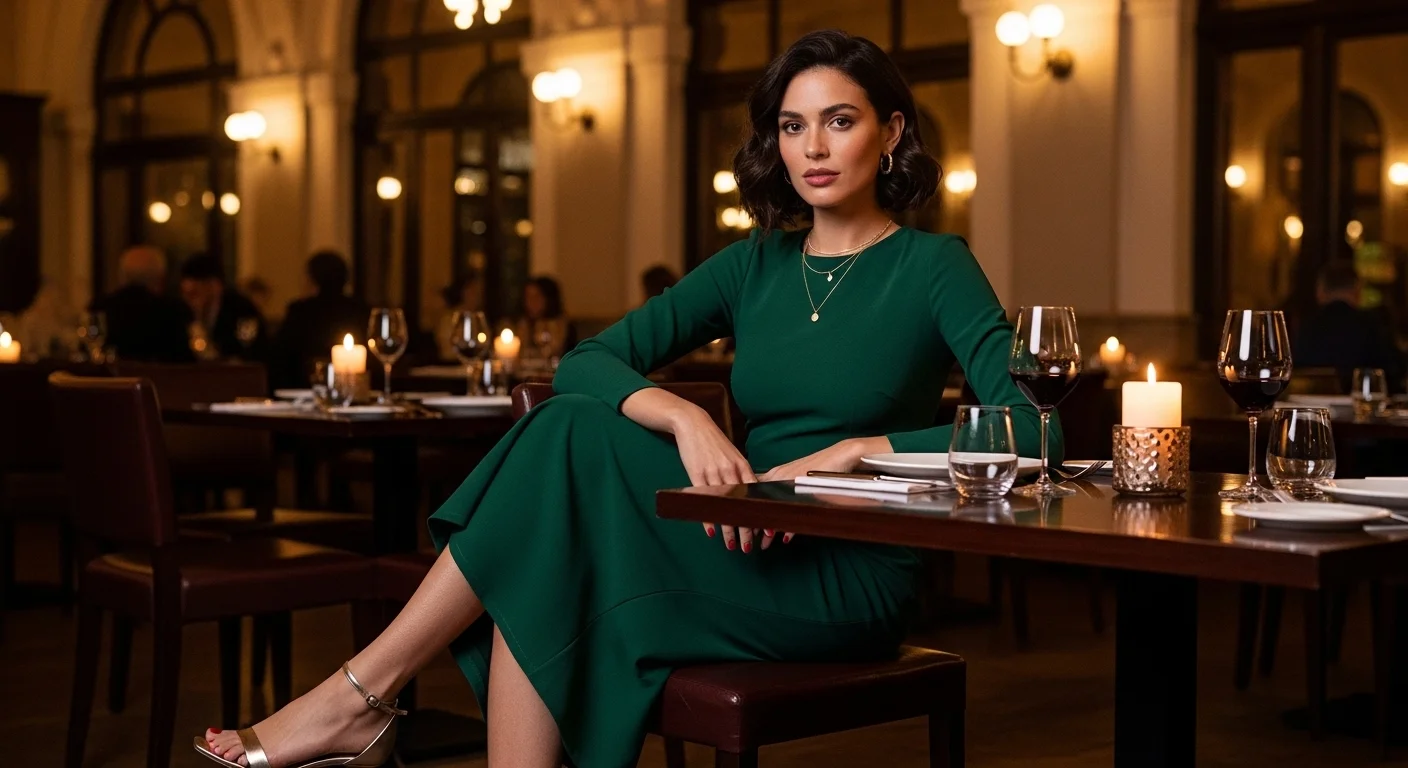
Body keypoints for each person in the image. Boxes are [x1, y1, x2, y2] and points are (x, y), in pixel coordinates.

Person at [196, 30, 1057, 768]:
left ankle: (361, 695)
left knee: (549, 525)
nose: (815, 149)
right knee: (558, 498)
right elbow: (590, 360)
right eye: (794, 126)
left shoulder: (932, 265)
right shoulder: (754, 262)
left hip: (845, 570)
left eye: (840, 120)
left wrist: (855, 450)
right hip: (739, 530)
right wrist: (685, 416)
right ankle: (363, 697)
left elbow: (1033, 430)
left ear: (892, 130)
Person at [1293, 260, 1406, 393]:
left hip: (1309, 406)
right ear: (1357, 290)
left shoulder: (1304, 327)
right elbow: (1394, 373)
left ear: (1320, 291)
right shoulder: (1372, 325)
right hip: (1362, 408)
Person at [270, 251, 370, 390]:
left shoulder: (300, 312)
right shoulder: (361, 310)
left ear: (312, 279)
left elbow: (281, 358)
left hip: (305, 388)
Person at [90, 245, 194, 363]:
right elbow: (186, 359)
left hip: (112, 379)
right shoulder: (174, 310)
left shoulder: (100, 307)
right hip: (163, 380)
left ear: (122, 276)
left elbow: (88, 351)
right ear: (160, 277)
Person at [179, 253, 270, 362]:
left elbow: (249, 348)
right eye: (186, 294)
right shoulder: (181, 313)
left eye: (194, 294)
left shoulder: (242, 310)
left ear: (214, 286)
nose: (189, 301)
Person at [513, 275, 574, 359]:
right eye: (528, 297)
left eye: (536, 296)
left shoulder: (563, 327)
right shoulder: (522, 325)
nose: (531, 302)